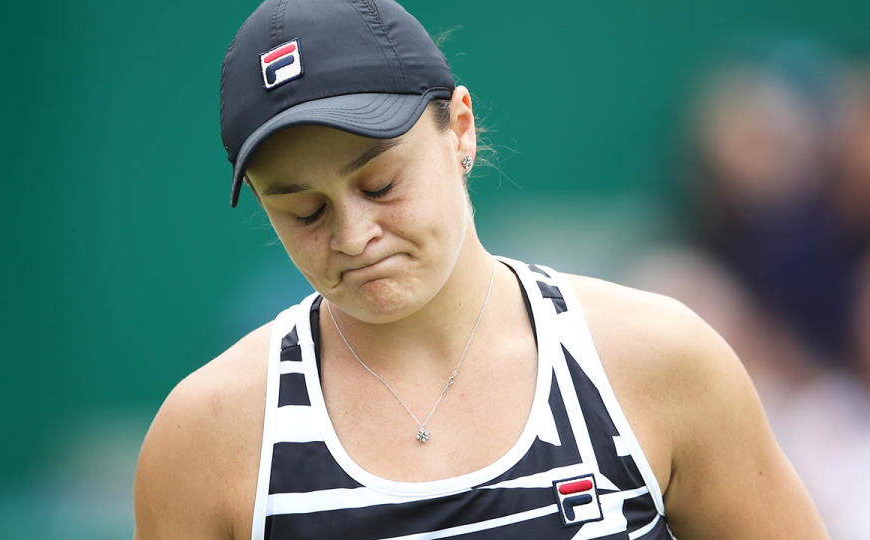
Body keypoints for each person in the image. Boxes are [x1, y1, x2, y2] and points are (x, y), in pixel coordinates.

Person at [133, 1, 827, 538]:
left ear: (460, 129)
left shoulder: (660, 360)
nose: (353, 236)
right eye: (303, 212)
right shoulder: (206, 438)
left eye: (379, 185)